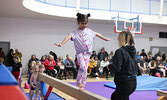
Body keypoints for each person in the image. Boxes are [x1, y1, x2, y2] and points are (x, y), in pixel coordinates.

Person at [54, 13, 110, 90]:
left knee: (85, 69)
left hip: (88, 54)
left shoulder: (89, 31)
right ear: (78, 22)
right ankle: (79, 81)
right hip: (80, 54)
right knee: (83, 68)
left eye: (86, 23)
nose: (84, 25)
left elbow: (97, 34)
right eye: (82, 23)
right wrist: (61, 44)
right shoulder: (75, 32)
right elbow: (68, 37)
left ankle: (82, 84)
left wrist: (105, 39)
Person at [108, 31, 137, 100]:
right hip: (133, 82)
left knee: (119, 97)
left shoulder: (120, 51)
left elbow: (116, 67)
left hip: (124, 82)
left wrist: (109, 67)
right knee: (115, 96)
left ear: (121, 40)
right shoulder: (133, 50)